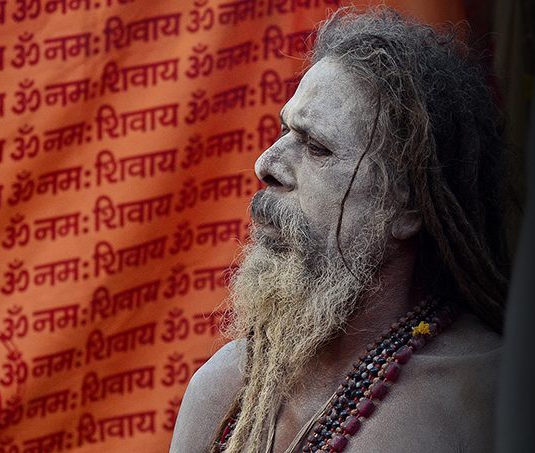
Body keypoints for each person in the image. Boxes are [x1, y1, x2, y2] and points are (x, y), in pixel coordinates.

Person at [170, 6, 515, 453]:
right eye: (283, 131)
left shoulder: (488, 398)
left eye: (316, 147)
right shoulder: (223, 390)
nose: (266, 164)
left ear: (406, 205)